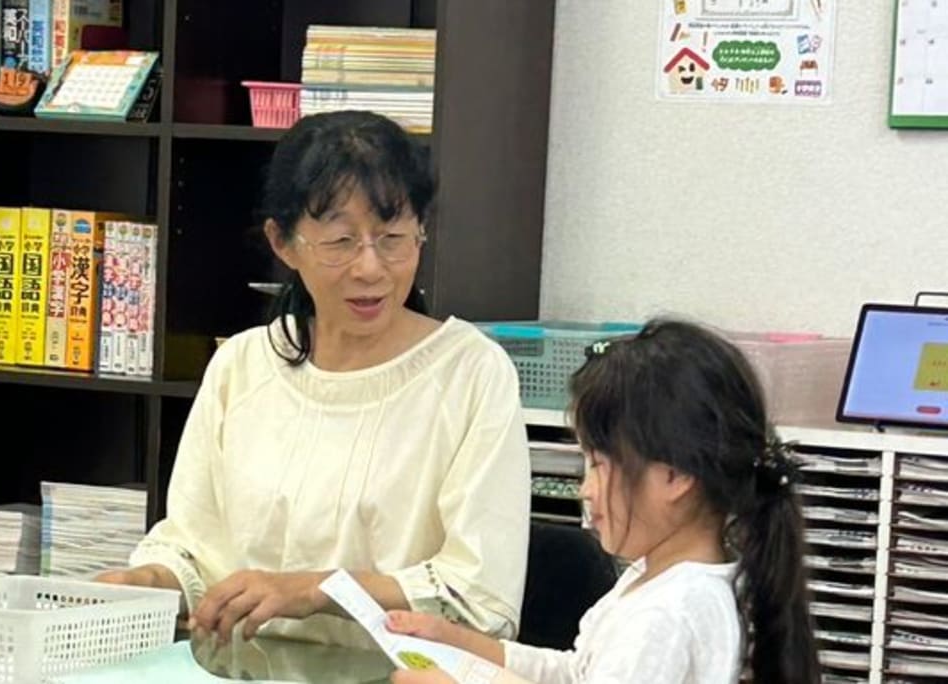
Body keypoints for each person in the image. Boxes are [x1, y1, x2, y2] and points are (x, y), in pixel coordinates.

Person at [97, 110, 531, 650]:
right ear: (283, 243)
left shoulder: (471, 373)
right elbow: (193, 551)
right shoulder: (243, 364)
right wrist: (149, 582)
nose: (370, 268)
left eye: (393, 237)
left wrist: (320, 590)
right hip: (243, 670)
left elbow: (481, 600)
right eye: (340, 241)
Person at [385, 319, 821, 684]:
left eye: (598, 464)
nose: (585, 488)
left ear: (674, 475)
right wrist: (462, 644)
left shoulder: (668, 614)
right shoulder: (657, 578)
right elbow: (577, 673)